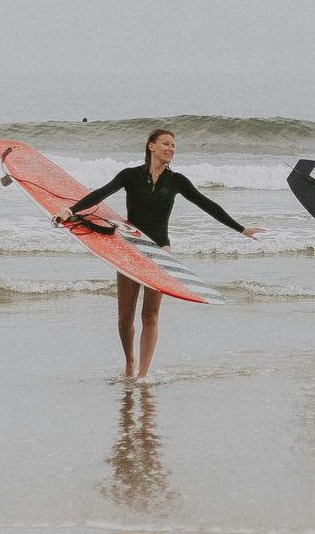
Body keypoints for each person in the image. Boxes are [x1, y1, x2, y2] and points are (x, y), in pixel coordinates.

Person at [59, 128, 261, 379]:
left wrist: (240, 229)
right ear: (151, 146)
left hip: (159, 252)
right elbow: (100, 194)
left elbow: (208, 204)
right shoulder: (130, 176)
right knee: (124, 318)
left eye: (174, 145)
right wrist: (70, 211)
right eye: (166, 143)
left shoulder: (177, 181)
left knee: (150, 314)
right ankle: (129, 361)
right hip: (130, 249)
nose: (171, 148)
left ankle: (142, 375)